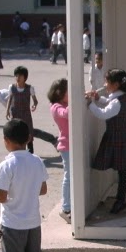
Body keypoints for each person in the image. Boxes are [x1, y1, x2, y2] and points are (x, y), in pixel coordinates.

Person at [0, 119, 52, 252]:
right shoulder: (36, 161)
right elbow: (43, 190)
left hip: (12, 223)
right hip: (33, 222)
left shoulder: (6, 165)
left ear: (6, 141)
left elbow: (1, 197)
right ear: (28, 139)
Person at [87, 69, 126, 214]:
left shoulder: (116, 101)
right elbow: (107, 103)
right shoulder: (118, 97)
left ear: (115, 85)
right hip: (121, 137)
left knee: (124, 170)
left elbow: (104, 114)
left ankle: (123, 200)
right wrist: (97, 98)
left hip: (120, 138)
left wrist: (90, 104)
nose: (104, 84)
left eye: (106, 82)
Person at [0, 82, 59, 148]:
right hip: (18, 115)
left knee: (30, 132)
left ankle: (53, 140)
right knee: (27, 133)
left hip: (20, 115)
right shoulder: (1, 93)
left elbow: (13, 102)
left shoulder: (1, 96)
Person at [48, 79, 72, 222]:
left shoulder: (64, 104)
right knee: (68, 177)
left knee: (72, 177)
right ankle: (66, 207)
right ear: (59, 92)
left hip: (70, 145)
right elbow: (67, 114)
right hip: (66, 146)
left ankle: (69, 205)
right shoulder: (56, 106)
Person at [6, 65, 39, 153]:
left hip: (26, 114)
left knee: (29, 134)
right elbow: (10, 99)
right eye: (16, 75)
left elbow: (35, 100)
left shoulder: (30, 88)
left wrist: (34, 105)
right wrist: (7, 111)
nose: (18, 78)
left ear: (25, 77)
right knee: (15, 133)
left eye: (20, 76)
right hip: (15, 114)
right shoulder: (11, 87)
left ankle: (30, 153)